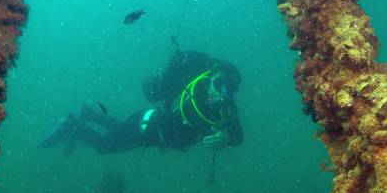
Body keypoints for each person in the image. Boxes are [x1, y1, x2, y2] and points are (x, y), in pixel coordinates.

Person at [40, 47, 243, 156]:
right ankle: (72, 124)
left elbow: (238, 135)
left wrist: (226, 138)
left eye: (230, 89)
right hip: (148, 127)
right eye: (220, 84)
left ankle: (89, 114)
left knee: (118, 128)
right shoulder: (198, 89)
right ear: (210, 80)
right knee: (105, 146)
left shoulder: (227, 110)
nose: (223, 93)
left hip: (153, 131)